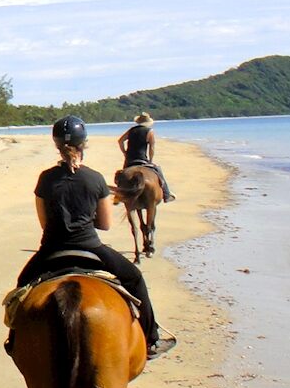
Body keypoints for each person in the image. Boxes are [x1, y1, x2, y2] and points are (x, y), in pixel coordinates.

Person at [15, 115, 176, 358]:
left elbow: (44, 223)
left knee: (21, 287)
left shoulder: (45, 178)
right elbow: (105, 224)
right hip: (91, 246)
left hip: (51, 249)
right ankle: (151, 339)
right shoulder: (95, 178)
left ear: (57, 145)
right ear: (84, 145)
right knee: (135, 279)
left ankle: (14, 341)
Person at [116, 112, 174, 202]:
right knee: (158, 170)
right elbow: (152, 148)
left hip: (130, 159)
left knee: (121, 177)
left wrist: (125, 152)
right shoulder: (149, 131)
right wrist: (150, 160)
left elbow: (120, 141)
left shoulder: (131, 130)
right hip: (142, 159)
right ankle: (167, 194)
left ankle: (118, 196)